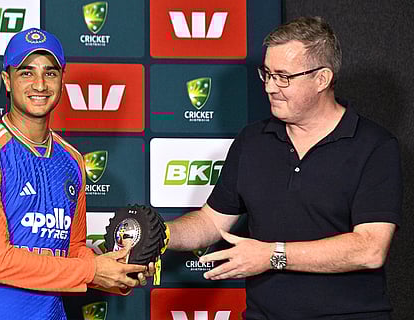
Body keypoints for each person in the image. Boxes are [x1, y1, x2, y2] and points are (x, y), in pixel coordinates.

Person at [166, 17, 402, 320]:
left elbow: (369, 249)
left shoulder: (375, 146)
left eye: (283, 77)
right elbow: (211, 223)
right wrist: (162, 234)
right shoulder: (252, 140)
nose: (269, 87)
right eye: (266, 74)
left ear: (322, 79)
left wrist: (272, 255)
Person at [0, 28, 150, 320]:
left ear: (63, 80)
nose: (39, 84)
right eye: (26, 73)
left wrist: (117, 270)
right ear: (7, 80)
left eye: (50, 73)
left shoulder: (72, 160)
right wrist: (93, 270)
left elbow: (73, 249)